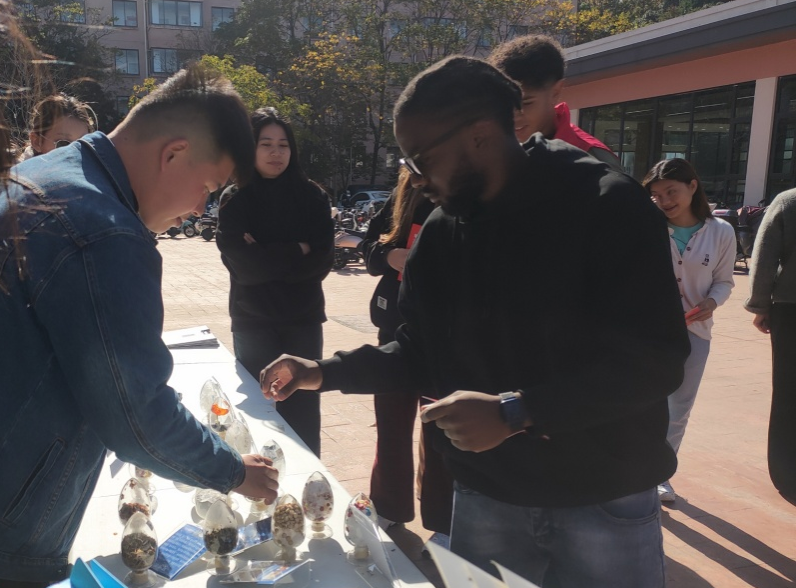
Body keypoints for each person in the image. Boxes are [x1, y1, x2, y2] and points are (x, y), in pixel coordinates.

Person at [260, 56, 690, 587]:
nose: (414, 178)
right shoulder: (442, 234)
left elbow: (656, 362)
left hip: (602, 494)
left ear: (480, 136)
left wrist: (516, 412)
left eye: (421, 159)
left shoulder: (607, 204)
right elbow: (420, 352)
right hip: (488, 496)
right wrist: (323, 372)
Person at [0, 64, 279, 585]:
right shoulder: (105, 233)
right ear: (173, 153)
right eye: (206, 187)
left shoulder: (50, 173)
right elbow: (137, 417)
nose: (198, 209)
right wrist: (234, 471)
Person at [216, 107, 334, 457]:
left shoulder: (313, 197)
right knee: (259, 410)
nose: (276, 152)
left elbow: (321, 262)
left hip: (303, 320)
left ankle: (309, 479)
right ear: (249, 148)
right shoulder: (234, 198)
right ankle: (262, 483)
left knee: (303, 411)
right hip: (253, 320)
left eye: (283, 145)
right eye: (265, 143)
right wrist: (297, 249)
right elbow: (243, 267)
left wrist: (263, 253)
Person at [363, 167, 453, 542]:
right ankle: (388, 508)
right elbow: (370, 248)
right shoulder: (402, 193)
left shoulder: (463, 191)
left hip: (446, 335)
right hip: (395, 329)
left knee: (442, 433)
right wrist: (391, 255)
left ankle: (443, 521)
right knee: (391, 427)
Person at [642, 158, 736, 504]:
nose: (664, 200)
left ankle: (660, 476)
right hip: (649, 334)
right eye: (656, 195)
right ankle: (633, 472)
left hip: (695, 334)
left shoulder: (720, 232)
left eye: (671, 191)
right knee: (642, 402)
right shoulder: (647, 228)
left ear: (692, 186)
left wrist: (712, 302)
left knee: (678, 408)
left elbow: (724, 281)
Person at [488, 34, 623, 172]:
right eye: (503, 103)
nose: (512, 116)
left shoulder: (594, 160)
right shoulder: (487, 152)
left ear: (555, 92)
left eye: (526, 103)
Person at [744, 188, 796, 504]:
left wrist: (760, 304)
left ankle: (787, 472)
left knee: (789, 392)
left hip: (791, 309)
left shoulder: (788, 202)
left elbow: (765, 255)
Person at [17, 93, 96, 161]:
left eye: (83, 145)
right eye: (63, 144)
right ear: (36, 142)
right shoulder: (16, 173)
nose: (75, 154)